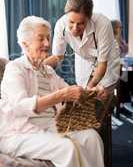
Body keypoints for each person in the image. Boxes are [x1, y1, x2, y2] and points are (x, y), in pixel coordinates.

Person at [0, 16, 104, 167]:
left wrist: (92, 92)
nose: (47, 44)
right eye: (41, 39)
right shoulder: (15, 68)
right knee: (67, 148)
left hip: (49, 125)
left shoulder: (47, 70)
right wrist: (60, 96)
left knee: (91, 138)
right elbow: (20, 106)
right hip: (18, 132)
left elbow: (70, 91)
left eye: (48, 38)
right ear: (25, 44)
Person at [44, 0, 120, 101]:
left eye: (81, 23)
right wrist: (40, 66)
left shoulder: (102, 24)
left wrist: (91, 86)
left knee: (100, 98)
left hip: (107, 61)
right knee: (84, 99)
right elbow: (57, 57)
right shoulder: (61, 26)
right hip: (84, 59)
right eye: (71, 22)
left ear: (89, 18)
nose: (75, 28)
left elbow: (102, 64)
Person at [111, 20, 132, 118]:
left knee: (129, 76)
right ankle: (120, 106)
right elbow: (116, 55)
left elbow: (126, 51)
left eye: (121, 27)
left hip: (122, 67)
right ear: (114, 28)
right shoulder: (111, 40)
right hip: (114, 69)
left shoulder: (121, 40)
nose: (121, 29)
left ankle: (122, 105)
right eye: (119, 27)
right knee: (124, 79)